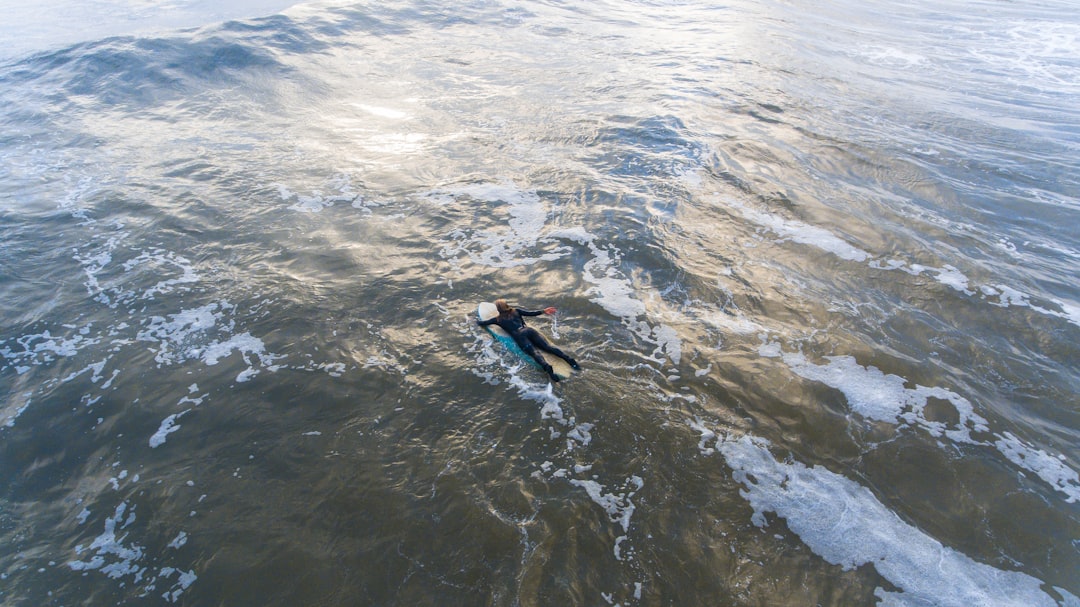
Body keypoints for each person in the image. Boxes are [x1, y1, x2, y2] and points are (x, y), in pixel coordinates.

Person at [478, 299, 580, 382]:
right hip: (529, 331)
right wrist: (544, 311)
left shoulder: (497, 319)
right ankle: (569, 360)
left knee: (534, 353)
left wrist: (473, 320)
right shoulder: (516, 311)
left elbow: (483, 323)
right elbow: (531, 313)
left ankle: (547, 368)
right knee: (548, 347)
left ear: (498, 309)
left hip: (520, 337)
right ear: (507, 305)